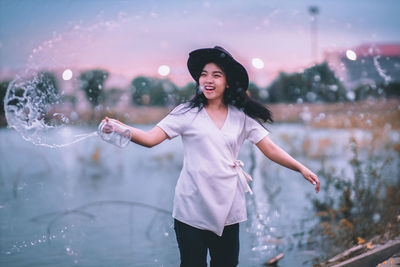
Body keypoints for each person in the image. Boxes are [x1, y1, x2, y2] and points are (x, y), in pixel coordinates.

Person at [101, 46, 320, 267]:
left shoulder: (241, 117)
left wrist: (301, 167)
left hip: (228, 205)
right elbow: (150, 139)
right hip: (191, 205)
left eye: (216, 75)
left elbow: (270, 149)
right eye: (204, 74)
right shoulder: (186, 113)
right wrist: (120, 128)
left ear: (227, 82)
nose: (208, 80)